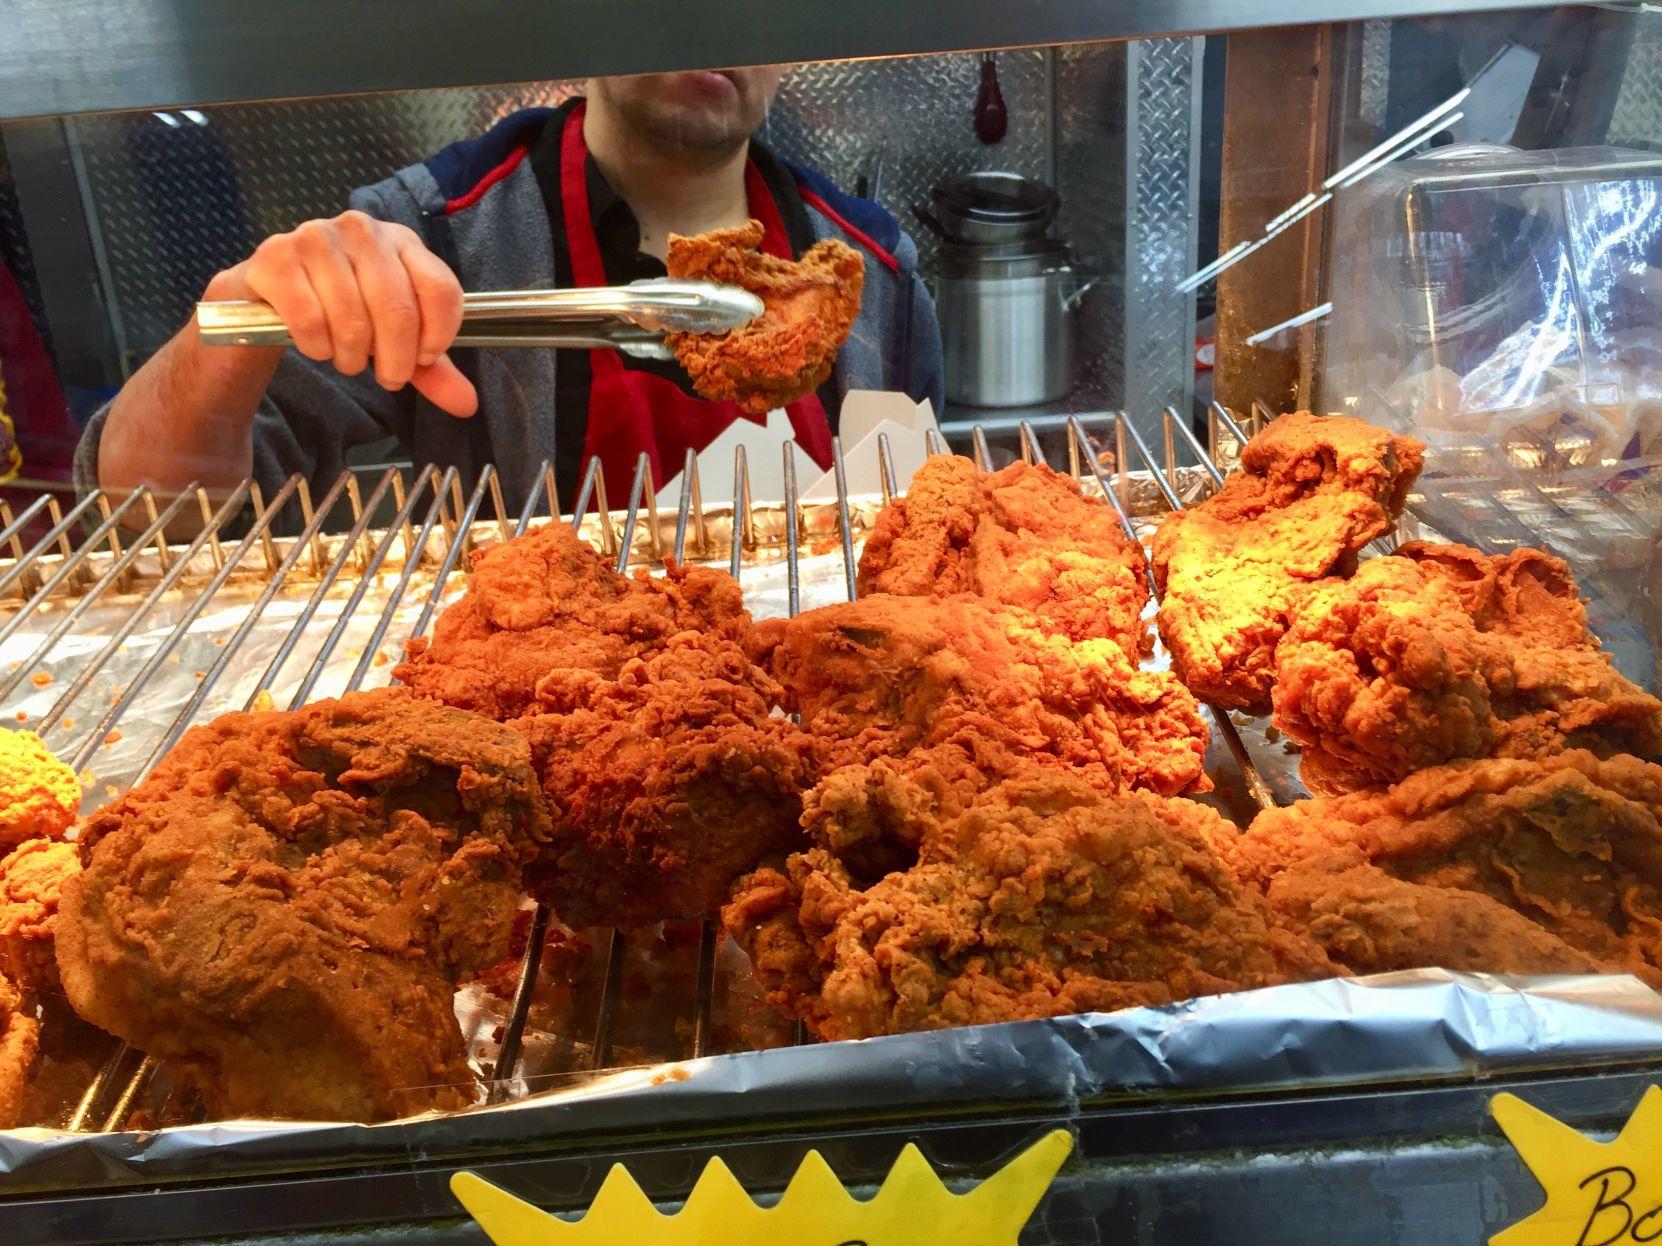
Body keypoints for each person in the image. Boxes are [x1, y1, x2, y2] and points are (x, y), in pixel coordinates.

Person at [77, 70, 943, 517]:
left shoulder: (871, 267)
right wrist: (232, 328)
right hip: (536, 730)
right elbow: (145, 518)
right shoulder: (432, 235)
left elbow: (921, 520)